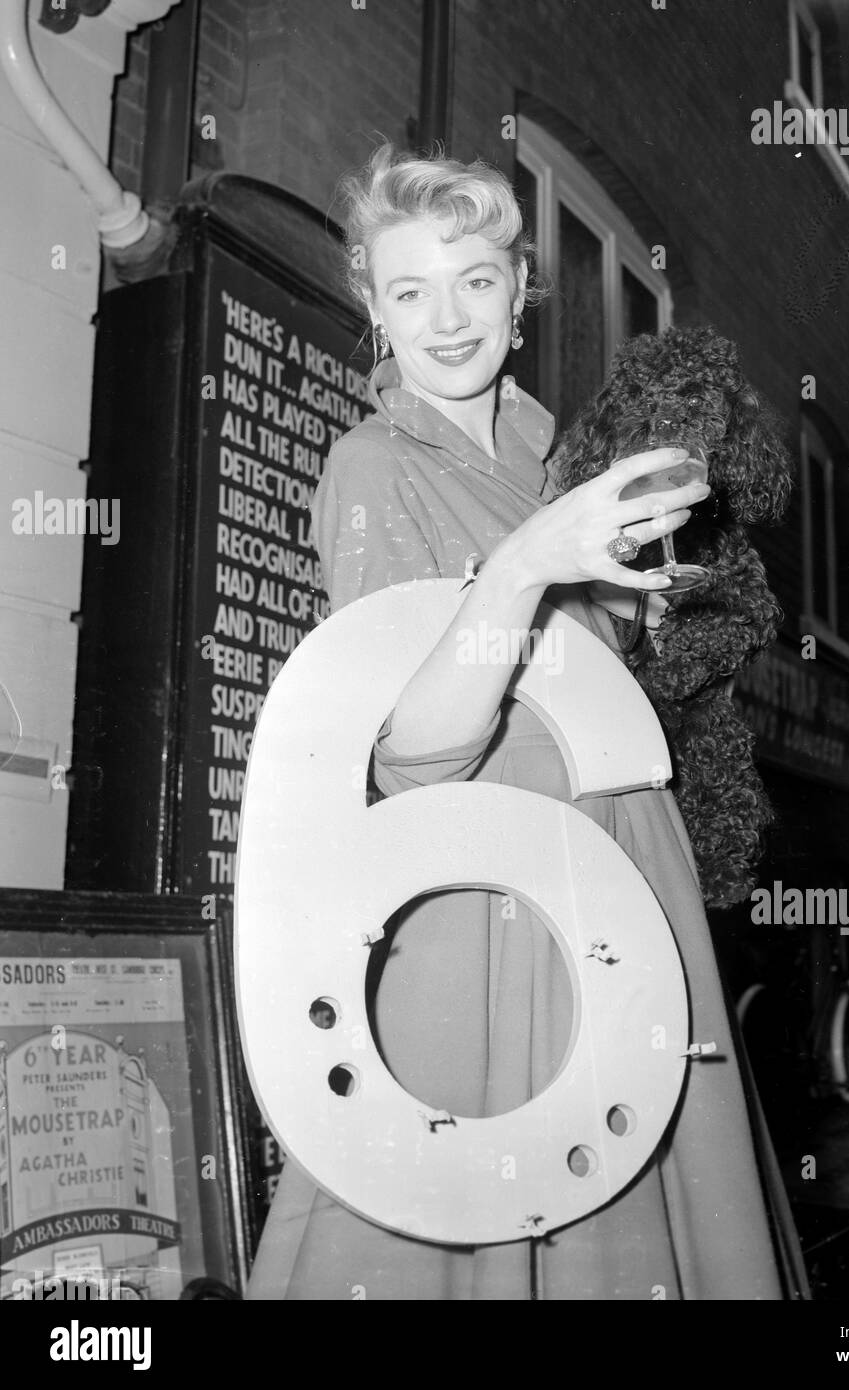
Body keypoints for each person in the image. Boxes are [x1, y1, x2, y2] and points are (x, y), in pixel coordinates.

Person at [246, 143, 808, 1301]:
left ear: (519, 295)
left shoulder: (559, 456)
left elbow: (603, 681)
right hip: (485, 900)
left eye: (476, 282)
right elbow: (411, 754)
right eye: (409, 291)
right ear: (372, 306)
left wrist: (657, 608)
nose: (446, 320)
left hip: (624, 861)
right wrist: (524, 568)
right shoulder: (371, 466)